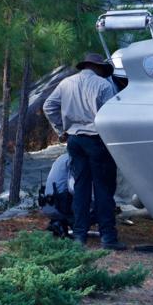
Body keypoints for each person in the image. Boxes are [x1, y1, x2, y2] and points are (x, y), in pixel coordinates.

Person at [43, 53, 126, 250]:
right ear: (97, 67)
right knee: (104, 189)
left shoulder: (66, 83)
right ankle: (108, 238)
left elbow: (48, 106)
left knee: (81, 188)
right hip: (97, 140)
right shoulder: (103, 86)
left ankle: (80, 236)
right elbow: (110, 116)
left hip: (75, 141)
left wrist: (61, 130)